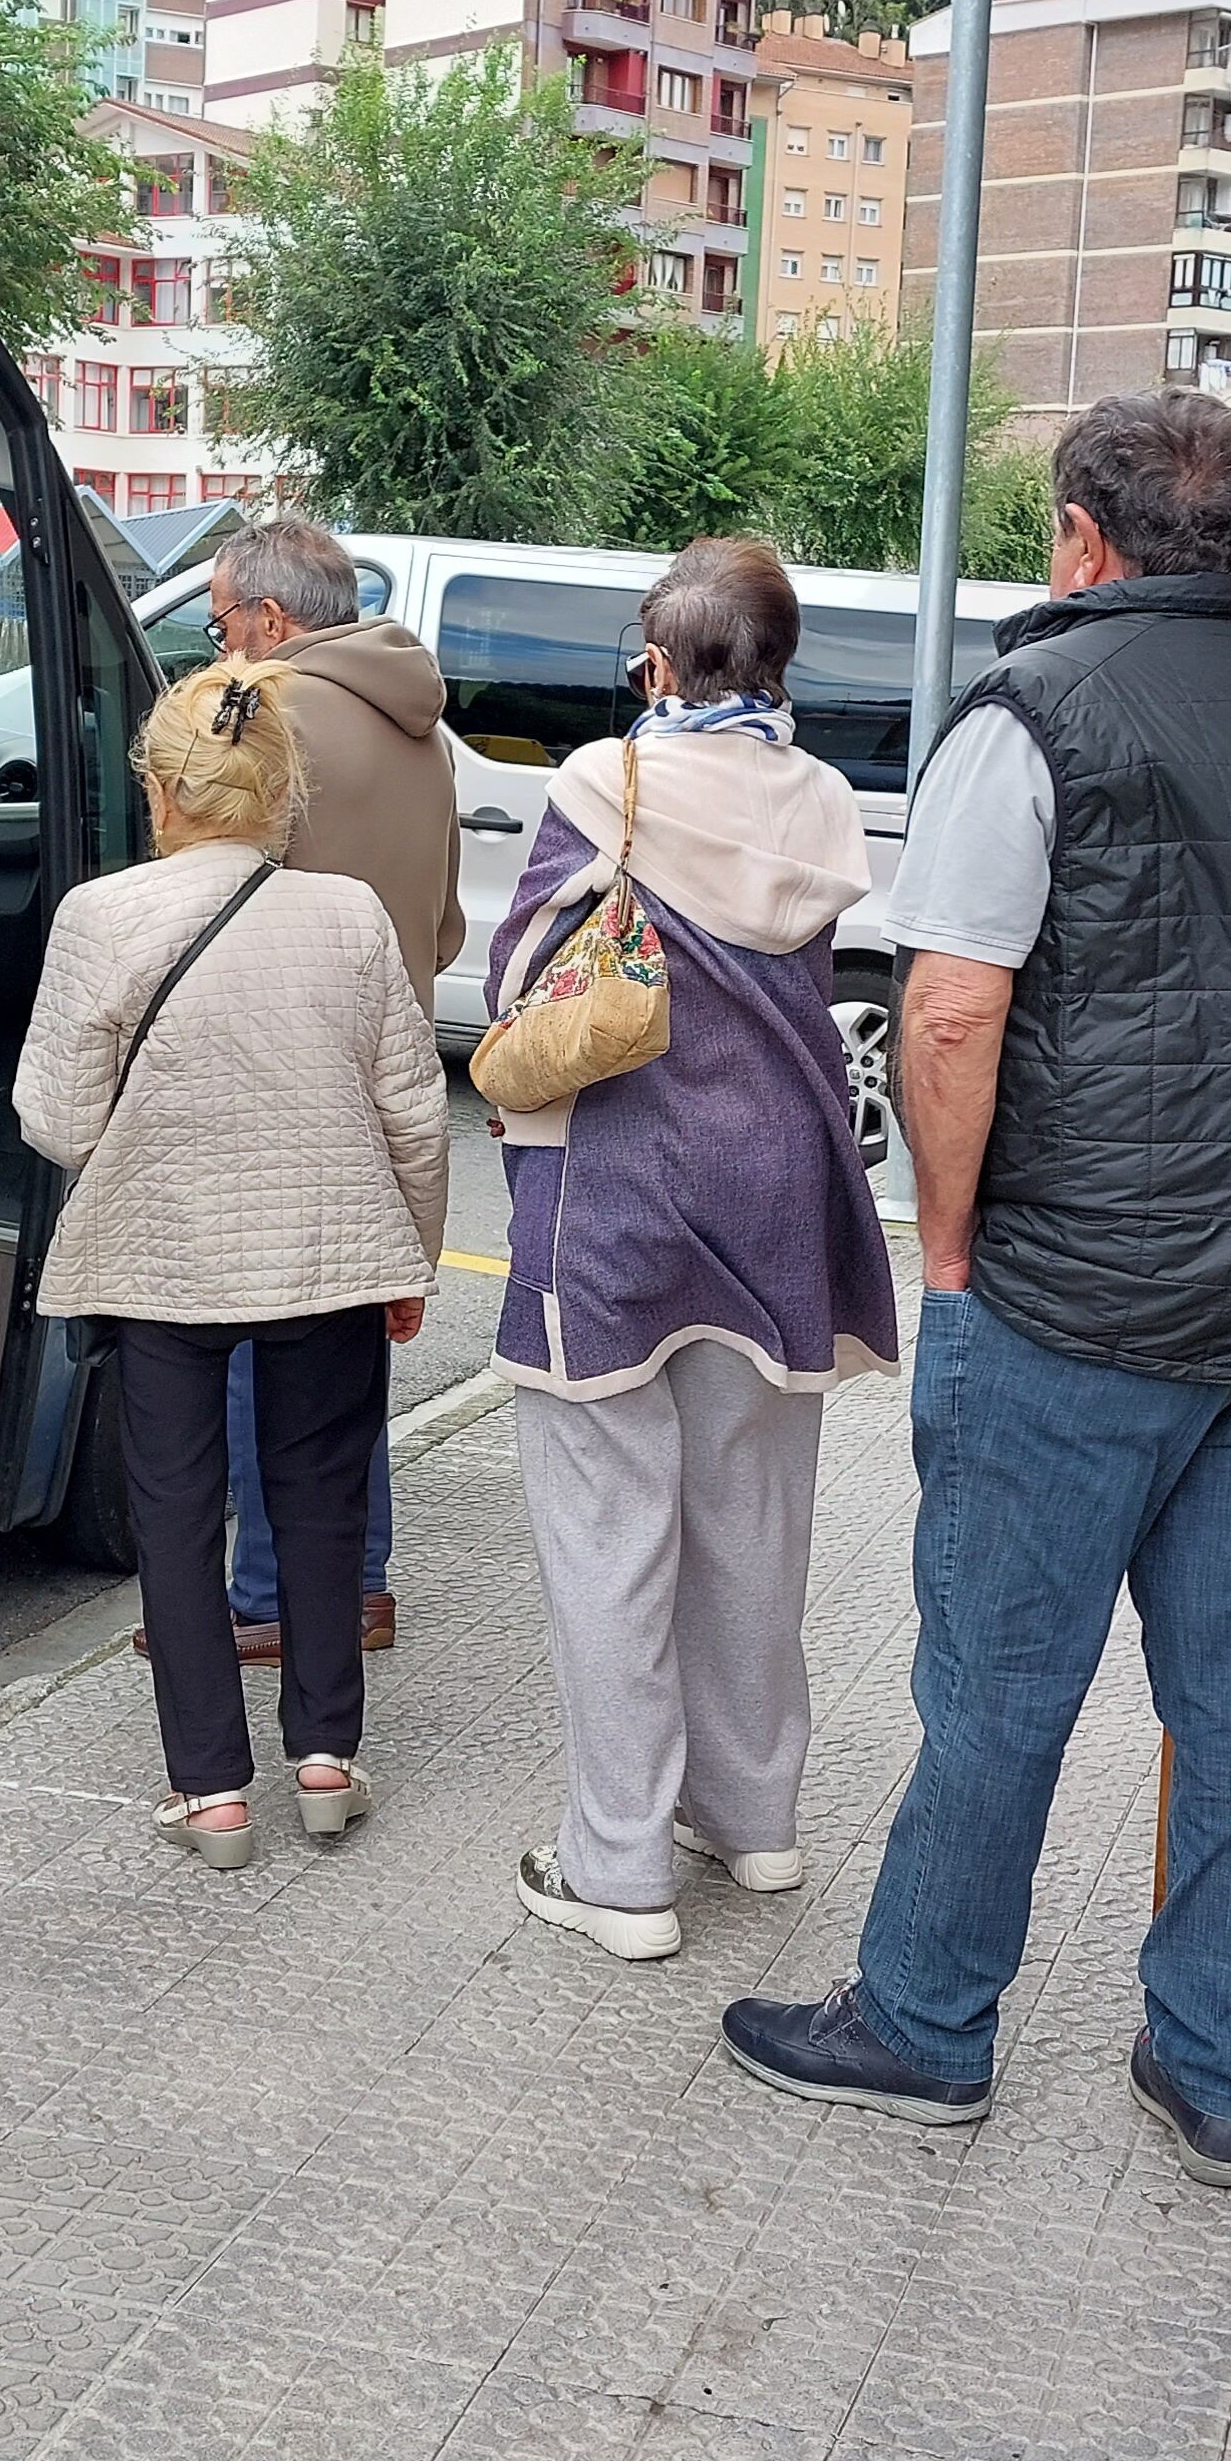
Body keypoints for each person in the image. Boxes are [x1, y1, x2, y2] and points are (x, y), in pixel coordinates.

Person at [721, 390, 1231, 2191]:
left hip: (1066, 1295)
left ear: (1075, 537)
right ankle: (1216, 2067)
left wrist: (946, 1242)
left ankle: (922, 2020)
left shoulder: (1027, 714)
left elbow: (948, 1007)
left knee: (997, 1685)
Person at [487, 536, 902, 1963]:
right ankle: (754, 1815)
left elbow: (521, 980)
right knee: (754, 1528)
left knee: (610, 1540)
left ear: (660, 665)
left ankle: (619, 1871)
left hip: (617, 1189)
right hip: (781, 1192)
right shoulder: (828, 803)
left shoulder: (610, 780)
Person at [18, 658, 447, 1869]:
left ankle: (209, 1792)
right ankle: (324, 1763)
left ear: (159, 790)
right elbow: (414, 1114)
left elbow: (53, 1118)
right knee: (318, 1506)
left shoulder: (100, 916)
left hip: (162, 1261)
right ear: (278, 795)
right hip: (326, 1257)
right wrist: (408, 1255)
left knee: (172, 1514)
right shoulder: (350, 915)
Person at [207, 514, 466, 1662]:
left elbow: (201, 890)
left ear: (268, 620)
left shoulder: (264, 715)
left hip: (274, 1073)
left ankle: (264, 1594)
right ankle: (357, 1583)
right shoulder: (423, 730)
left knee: (256, 1337)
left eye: (219, 625)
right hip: (387, 1061)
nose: (218, 648)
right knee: (347, 1340)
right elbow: (447, 928)